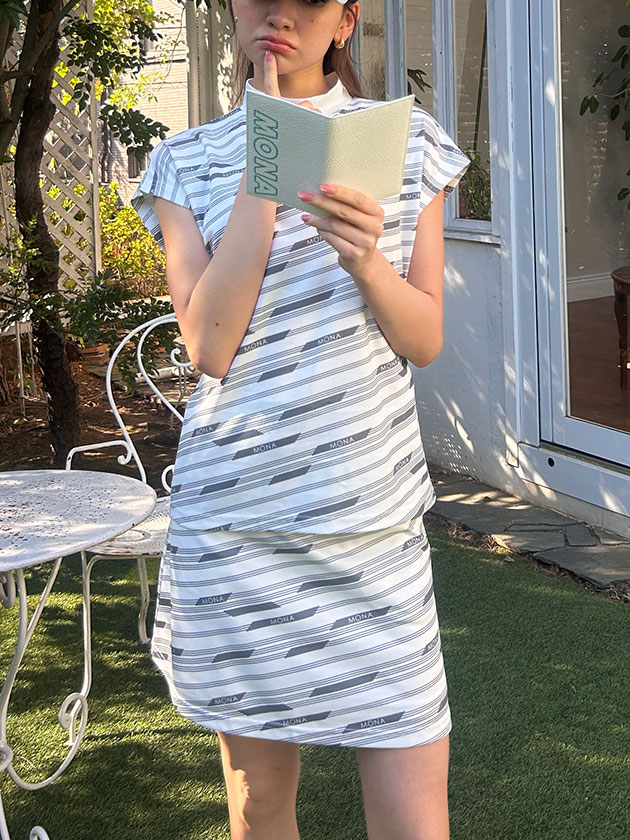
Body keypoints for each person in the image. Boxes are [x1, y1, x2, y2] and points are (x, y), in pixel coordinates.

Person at [131, 2, 470, 838]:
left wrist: (366, 261)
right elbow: (209, 345)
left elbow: (424, 339)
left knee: (415, 819)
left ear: (345, 21)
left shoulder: (406, 143)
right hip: (238, 531)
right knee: (259, 807)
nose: (280, 12)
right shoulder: (185, 161)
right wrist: (267, 162)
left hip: (372, 527)